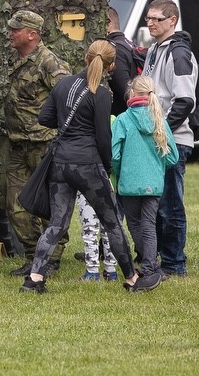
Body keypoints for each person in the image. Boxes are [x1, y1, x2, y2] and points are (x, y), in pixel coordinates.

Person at [19, 40, 138, 294]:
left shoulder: (63, 84)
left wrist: (67, 124)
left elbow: (44, 117)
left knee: (57, 224)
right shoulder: (102, 93)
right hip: (88, 165)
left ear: (86, 58)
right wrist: (107, 166)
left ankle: (35, 278)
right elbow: (103, 137)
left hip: (61, 163)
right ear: (112, 66)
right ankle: (132, 278)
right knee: (112, 222)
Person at [4, 9, 70, 277]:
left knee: (48, 205)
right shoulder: (15, 60)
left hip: (44, 145)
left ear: (32, 34)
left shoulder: (49, 63)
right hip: (18, 145)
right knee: (16, 205)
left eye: (15, 29)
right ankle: (33, 256)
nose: (10, 33)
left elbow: (68, 99)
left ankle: (51, 259)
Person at [140, 0, 198, 278]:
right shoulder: (154, 49)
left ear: (172, 20)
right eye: (148, 18)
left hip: (173, 140)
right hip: (157, 138)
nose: (150, 23)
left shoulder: (178, 52)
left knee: (170, 206)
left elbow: (185, 100)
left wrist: (162, 132)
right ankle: (160, 260)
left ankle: (175, 265)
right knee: (155, 204)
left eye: (156, 19)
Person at [112, 75, 180, 292]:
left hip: (129, 182)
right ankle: (151, 267)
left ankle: (149, 266)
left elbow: (114, 155)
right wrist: (156, 166)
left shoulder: (122, 120)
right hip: (153, 183)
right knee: (149, 224)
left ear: (132, 93)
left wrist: (120, 171)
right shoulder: (159, 119)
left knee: (134, 224)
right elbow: (173, 157)